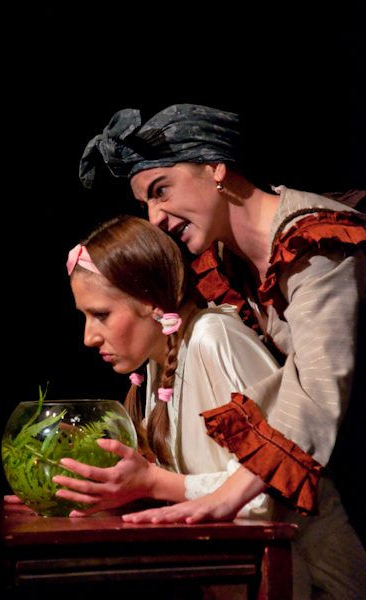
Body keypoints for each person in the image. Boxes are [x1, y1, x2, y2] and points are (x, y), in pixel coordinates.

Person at [78, 104, 366, 549]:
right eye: (146, 203)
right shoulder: (226, 264)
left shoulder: (315, 243)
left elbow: (315, 386)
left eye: (161, 190)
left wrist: (228, 493)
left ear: (216, 168)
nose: (155, 218)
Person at [53, 214, 364, 600]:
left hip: (313, 583)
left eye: (100, 314)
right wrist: (79, 488)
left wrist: (154, 482)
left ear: (150, 301)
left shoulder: (213, 338)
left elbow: (275, 489)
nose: (88, 337)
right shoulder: (158, 362)